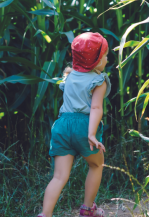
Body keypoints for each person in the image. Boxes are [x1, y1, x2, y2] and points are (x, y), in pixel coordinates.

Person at [37, 32, 110, 217]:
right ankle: (87, 209)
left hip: (62, 126)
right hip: (84, 126)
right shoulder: (98, 81)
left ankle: (45, 214)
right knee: (96, 165)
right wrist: (92, 134)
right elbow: (95, 107)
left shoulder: (68, 76)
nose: (107, 59)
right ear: (95, 60)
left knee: (59, 176)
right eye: (105, 56)